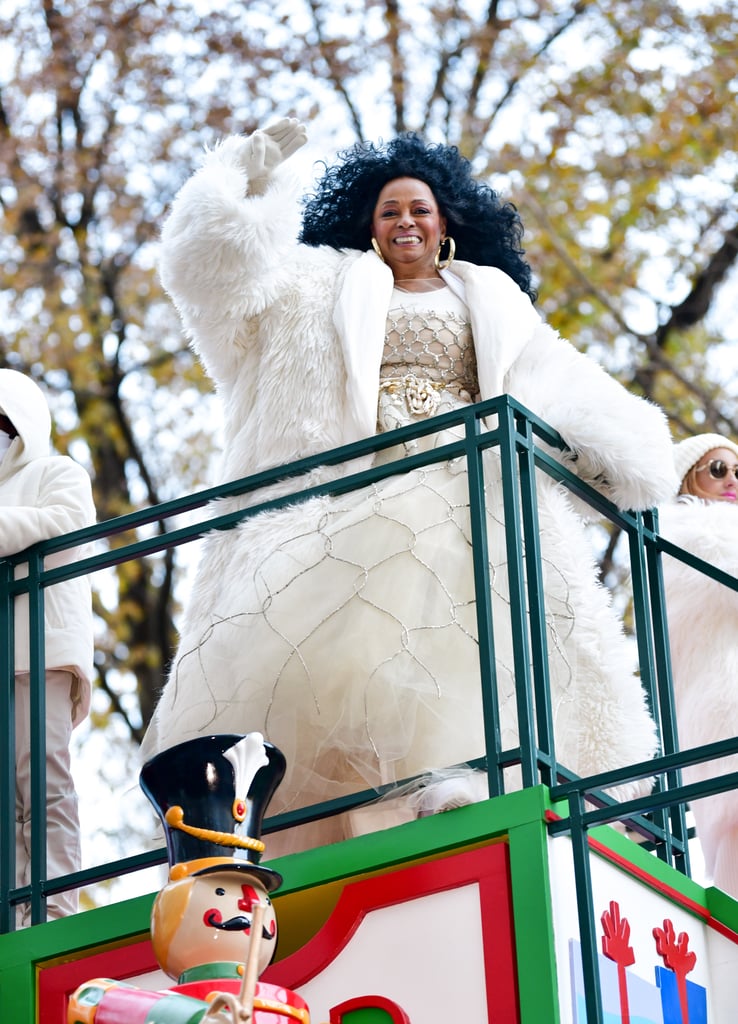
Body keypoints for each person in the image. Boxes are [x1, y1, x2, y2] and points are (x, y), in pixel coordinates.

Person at [141, 118, 678, 852]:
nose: (405, 221)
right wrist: (240, 185)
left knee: (493, 619)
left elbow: (563, 385)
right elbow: (218, 284)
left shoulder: (493, 301)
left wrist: (631, 452)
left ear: (446, 224)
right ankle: (402, 791)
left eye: (419, 208)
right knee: (372, 647)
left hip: (475, 477)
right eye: (389, 209)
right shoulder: (320, 284)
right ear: (369, 225)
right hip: (368, 482)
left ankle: (471, 774)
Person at [0, 369, 95, 923]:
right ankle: (14, 915)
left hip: (41, 652)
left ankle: (56, 908)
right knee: (8, 797)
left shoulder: (56, 472)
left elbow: (66, 523)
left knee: (43, 782)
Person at [659, 433, 738, 898]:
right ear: (689, 476)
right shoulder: (692, 530)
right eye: (718, 469)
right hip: (723, 698)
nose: (731, 480)